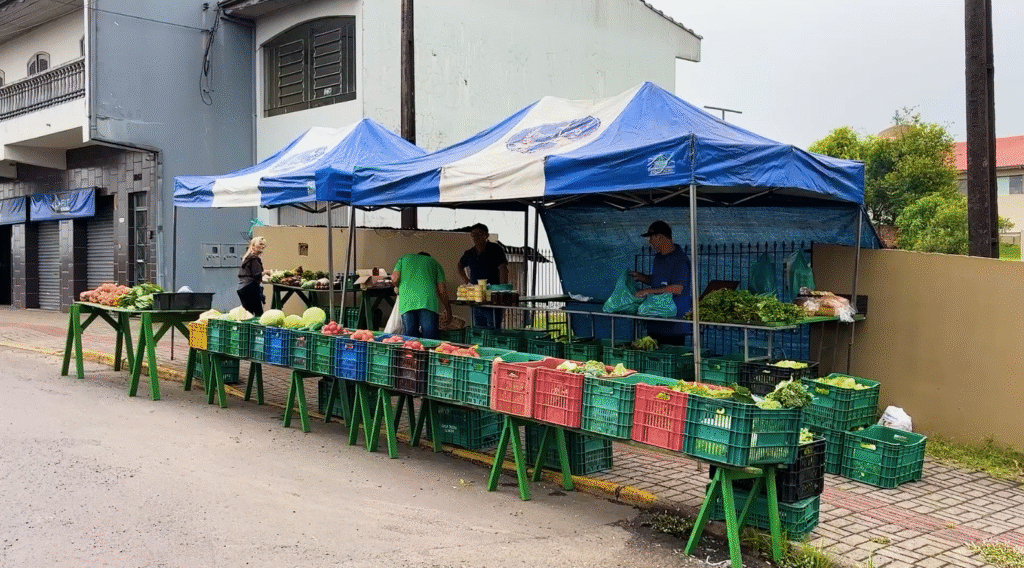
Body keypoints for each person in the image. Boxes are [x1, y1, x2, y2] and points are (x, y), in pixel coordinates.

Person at [629, 221, 692, 346]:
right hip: (655, 321)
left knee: (669, 357)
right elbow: (658, 282)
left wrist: (647, 291)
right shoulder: (658, 258)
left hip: (673, 324)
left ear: (660, 237)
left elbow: (677, 288)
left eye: (651, 238)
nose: (650, 242)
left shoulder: (680, 259)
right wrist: (642, 277)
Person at [456, 223, 509, 329]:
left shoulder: (495, 249)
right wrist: (466, 279)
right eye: (473, 235)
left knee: (493, 328)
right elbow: (460, 265)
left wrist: (502, 291)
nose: (476, 237)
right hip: (476, 297)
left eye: (479, 234)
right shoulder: (470, 252)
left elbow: (503, 269)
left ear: (486, 235)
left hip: (492, 297)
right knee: (478, 328)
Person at [392, 252, 452, 340]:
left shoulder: (403, 259)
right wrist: (448, 310)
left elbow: (395, 278)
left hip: (407, 301)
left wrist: (397, 286)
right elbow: (441, 290)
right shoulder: (434, 263)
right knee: (429, 337)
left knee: (410, 337)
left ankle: (411, 353)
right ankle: (428, 353)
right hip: (428, 302)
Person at [237, 236, 270, 317]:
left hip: (242, 288)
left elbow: (249, 274)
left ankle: (247, 329)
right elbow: (256, 275)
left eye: (264, 245)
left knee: (248, 314)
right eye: (261, 244)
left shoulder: (247, 258)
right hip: (250, 288)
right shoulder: (254, 259)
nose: (263, 246)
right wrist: (266, 272)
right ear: (253, 245)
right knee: (259, 313)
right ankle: (259, 329)